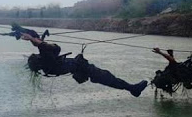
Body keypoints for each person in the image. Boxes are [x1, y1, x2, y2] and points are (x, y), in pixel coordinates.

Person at [20, 32, 148, 97]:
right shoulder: (48, 58)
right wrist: (32, 39)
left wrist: (33, 39)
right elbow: (41, 46)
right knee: (108, 77)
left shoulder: (47, 62)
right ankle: (133, 89)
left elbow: (41, 45)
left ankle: (132, 89)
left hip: (79, 69)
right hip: (84, 69)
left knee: (107, 78)